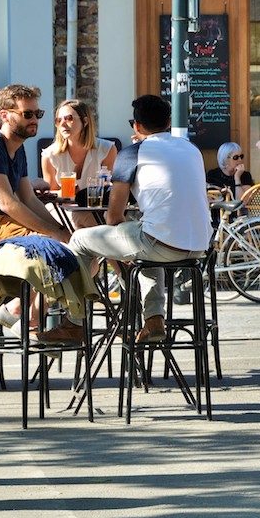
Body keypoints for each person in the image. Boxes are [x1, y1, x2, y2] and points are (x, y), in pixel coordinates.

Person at [67, 94, 211, 344]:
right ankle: (154, 319)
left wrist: (121, 252)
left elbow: (113, 216)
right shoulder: (191, 148)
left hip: (161, 243)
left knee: (79, 240)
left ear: (136, 125)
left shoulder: (133, 153)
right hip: (199, 246)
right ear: (168, 122)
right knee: (147, 241)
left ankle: (74, 322)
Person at [0, 85, 71, 263]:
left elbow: (29, 199)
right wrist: (52, 232)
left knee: (68, 245)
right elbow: (7, 203)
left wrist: (61, 229)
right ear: (4, 116)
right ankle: (26, 292)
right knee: (51, 249)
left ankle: (34, 291)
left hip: (4, 224)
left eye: (37, 114)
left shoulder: (18, 148)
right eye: (27, 114)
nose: (34, 119)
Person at [40, 98, 116, 201]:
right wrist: (64, 193)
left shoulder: (106, 150)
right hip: (65, 209)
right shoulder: (50, 155)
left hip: (96, 208)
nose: (62, 124)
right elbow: (50, 194)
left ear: (85, 121)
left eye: (68, 118)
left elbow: (109, 188)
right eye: (58, 120)